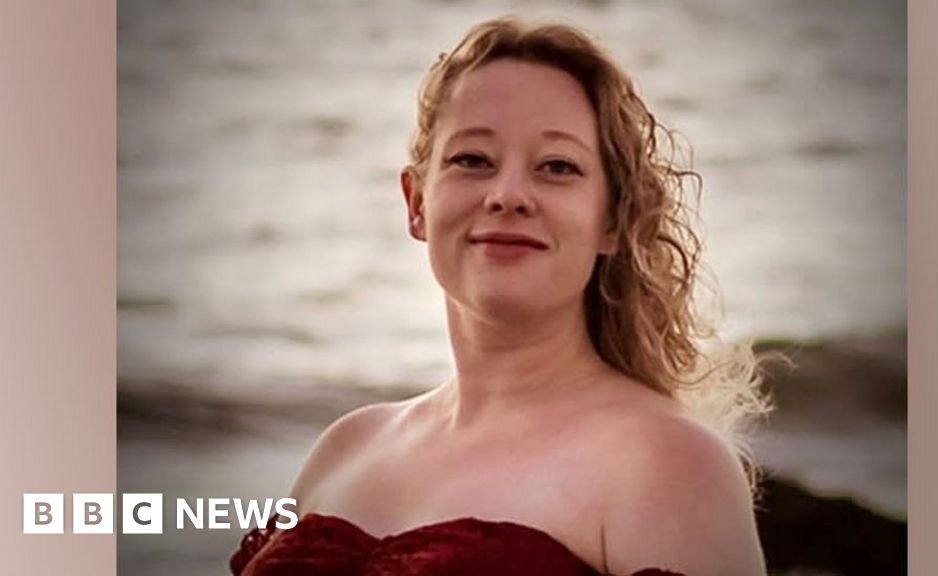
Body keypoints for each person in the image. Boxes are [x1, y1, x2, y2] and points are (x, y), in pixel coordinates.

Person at [231, 16, 770, 576]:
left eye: (557, 167)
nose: (508, 195)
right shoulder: (346, 448)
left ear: (612, 219)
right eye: (472, 160)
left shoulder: (668, 462)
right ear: (416, 202)